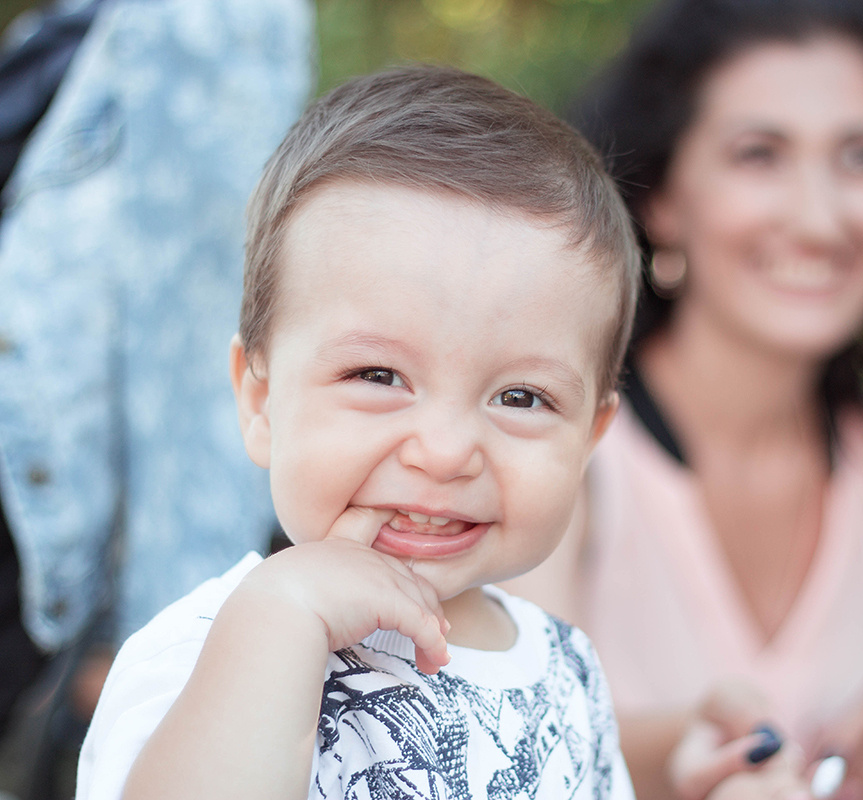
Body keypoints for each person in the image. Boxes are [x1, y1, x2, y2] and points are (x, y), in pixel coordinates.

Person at [505, 0, 863, 798]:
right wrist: (700, 748)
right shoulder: (564, 444)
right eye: (759, 154)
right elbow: (508, 737)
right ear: (662, 199)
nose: (819, 218)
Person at [75, 64, 642, 800]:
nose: (443, 452)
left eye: (521, 396)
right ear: (261, 401)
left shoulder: (567, 668)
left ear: (590, 438)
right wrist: (283, 617)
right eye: (378, 377)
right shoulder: (212, 647)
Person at [0, 0, 309, 792]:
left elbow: (193, 342)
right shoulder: (75, 25)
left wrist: (152, 641)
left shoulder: (209, 19)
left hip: (40, 556)